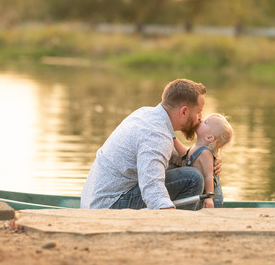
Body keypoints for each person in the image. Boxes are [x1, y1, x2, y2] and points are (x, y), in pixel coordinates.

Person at [80, 78, 220, 210]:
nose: (200, 118)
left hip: (93, 200)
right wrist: (167, 209)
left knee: (180, 169)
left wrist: (208, 162)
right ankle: (178, 230)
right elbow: (151, 187)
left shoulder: (147, 114)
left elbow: (175, 157)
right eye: (199, 112)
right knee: (192, 178)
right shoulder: (156, 135)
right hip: (107, 206)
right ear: (184, 111)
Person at [172, 113, 233, 208]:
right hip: (201, 194)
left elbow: (209, 176)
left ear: (209, 137)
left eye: (205, 122)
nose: (201, 120)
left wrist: (209, 198)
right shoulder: (196, 147)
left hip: (210, 197)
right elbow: (185, 156)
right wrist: (173, 139)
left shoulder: (205, 153)